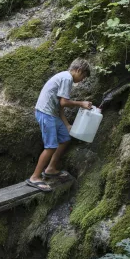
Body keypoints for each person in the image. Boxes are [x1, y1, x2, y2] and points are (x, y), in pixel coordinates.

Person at [26, 58, 93, 191]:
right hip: (45, 113)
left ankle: (50, 169)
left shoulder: (64, 77)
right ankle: (34, 177)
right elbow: (64, 102)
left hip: (52, 114)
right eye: (83, 76)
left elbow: (59, 105)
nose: (83, 79)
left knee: (64, 138)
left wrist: (67, 124)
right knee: (51, 146)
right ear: (78, 70)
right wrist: (81, 103)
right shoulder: (67, 78)